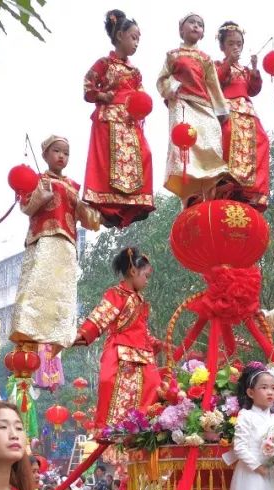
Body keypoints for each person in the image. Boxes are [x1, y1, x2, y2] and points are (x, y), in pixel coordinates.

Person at [11, 135, 102, 351]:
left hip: (67, 245)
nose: (61, 156)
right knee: (37, 287)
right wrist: (41, 194)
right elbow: (26, 207)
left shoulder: (72, 186)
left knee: (62, 293)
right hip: (43, 241)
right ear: (44, 155)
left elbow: (85, 215)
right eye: (57, 151)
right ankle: (27, 332)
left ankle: (59, 335)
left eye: (66, 153)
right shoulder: (38, 180)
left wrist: (103, 215)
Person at [73, 247, 162, 428]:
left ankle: (144, 426)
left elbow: (142, 330)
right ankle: (113, 430)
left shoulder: (141, 301)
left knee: (154, 384)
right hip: (120, 352)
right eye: (145, 276)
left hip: (143, 355)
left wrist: (156, 343)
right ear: (133, 271)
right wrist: (82, 333)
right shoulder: (116, 294)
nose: (147, 281)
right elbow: (101, 316)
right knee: (109, 383)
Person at [82, 9, 155, 228]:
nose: (136, 43)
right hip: (110, 118)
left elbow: (140, 94)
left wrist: (142, 106)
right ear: (119, 36)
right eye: (133, 37)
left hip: (129, 121)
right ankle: (108, 205)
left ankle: (135, 203)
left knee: (145, 154)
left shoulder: (135, 72)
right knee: (108, 161)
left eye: (138, 39)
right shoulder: (104, 64)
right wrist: (102, 95)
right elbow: (87, 86)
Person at [156, 13, 229, 203]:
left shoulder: (205, 59)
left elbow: (213, 86)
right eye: (192, 23)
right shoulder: (173, 55)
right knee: (186, 145)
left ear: (203, 33)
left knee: (211, 142)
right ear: (181, 29)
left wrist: (221, 110)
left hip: (204, 106)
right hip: (182, 104)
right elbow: (162, 79)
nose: (196, 26)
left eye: (200, 24)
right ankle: (190, 196)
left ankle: (211, 188)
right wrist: (171, 88)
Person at [214, 21, 269, 209]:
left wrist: (254, 69)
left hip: (247, 111)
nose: (235, 47)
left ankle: (252, 190)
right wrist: (228, 62)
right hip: (228, 109)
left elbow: (253, 89)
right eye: (231, 43)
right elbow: (215, 83)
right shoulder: (217, 65)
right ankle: (229, 185)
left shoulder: (244, 70)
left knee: (261, 141)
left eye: (239, 44)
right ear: (222, 46)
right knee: (228, 137)